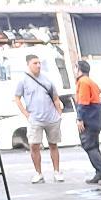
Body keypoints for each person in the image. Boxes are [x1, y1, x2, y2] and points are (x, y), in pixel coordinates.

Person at [13, 53, 65, 183]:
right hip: (35, 119)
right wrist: (26, 114)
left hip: (51, 118)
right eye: (35, 63)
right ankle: (38, 173)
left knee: (53, 144)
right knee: (34, 146)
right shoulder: (23, 80)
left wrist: (59, 113)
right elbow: (17, 98)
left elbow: (55, 98)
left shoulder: (47, 80)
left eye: (39, 63)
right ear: (28, 65)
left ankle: (57, 171)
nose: (38, 65)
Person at [73, 59, 101, 185]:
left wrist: (80, 118)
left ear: (79, 69)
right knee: (94, 146)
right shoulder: (90, 82)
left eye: (75, 68)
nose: (74, 71)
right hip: (95, 116)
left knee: (89, 145)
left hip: (89, 117)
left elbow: (83, 102)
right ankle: (99, 173)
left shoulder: (83, 82)